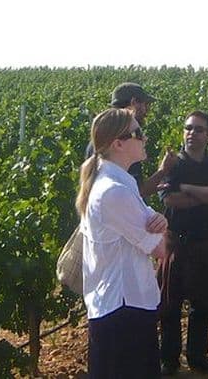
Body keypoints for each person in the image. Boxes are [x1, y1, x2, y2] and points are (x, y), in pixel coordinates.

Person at [77, 108, 170, 378]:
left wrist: (159, 222)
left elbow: (156, 235)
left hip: (120, 307)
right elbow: (161, 249)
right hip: (124, 310)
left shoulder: (117, 184)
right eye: (138, 133)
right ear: (118, 143)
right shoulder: (114, 192)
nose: (145, 138)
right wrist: (160, 223)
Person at [157, 111, 208, 376]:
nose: (191, 133)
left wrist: (185, 188)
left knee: (204, 304)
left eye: (198, 129)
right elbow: (169, 200)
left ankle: (198, 357)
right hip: (175, 243)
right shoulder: (173, 165)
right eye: (188, 128)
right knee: (170, 304)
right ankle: (170, 359)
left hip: (206, 243)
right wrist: (203, 192)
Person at [85, 82, 178, 198]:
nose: (147, 110)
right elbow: (136, 193)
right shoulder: (126, 144)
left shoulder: (99, 139)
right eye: (146, 104)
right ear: (134, 103)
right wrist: (163, 170)